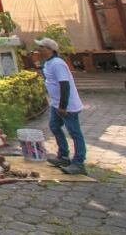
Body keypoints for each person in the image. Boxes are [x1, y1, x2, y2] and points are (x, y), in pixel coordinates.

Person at [37, 37, 87, 175]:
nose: (38, 49)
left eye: (41, 47)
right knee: (54, 126)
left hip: (67, 105)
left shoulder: (58, 64)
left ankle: (79, 163)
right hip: (55, 103)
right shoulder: (47, 63)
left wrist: (63, 106)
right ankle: (63, 156)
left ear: (49, 49)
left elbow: (65, 85)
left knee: (75, 133)